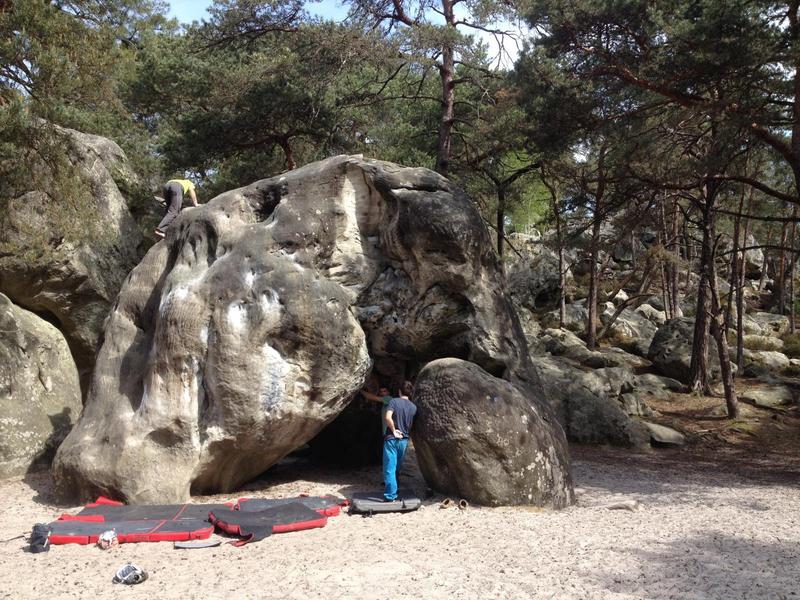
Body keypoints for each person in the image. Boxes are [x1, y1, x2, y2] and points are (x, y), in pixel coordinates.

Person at [382, 381, 417, 502]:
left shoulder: (394, 401)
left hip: (392, 439)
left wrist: (394, 430)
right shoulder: (413, 407)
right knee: (396, 467)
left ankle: (390, 495)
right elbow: (411, 425)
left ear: (399, 391)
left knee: (389, 467)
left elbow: (388, 417)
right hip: (404, 440)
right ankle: (394, 489)